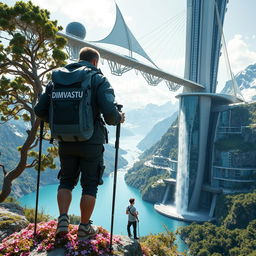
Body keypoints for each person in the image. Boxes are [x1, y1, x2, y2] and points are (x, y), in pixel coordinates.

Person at [34, 47, 125, 240]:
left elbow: (40, 111)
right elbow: (110, 115)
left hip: (64, 140)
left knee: (66, 180)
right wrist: (119, 117)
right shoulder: (97, 79)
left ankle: (63, 221)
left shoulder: (56, 80)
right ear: (94, 62)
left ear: (79, 59)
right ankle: (84, 227)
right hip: (91, 141)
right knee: (90, 184)